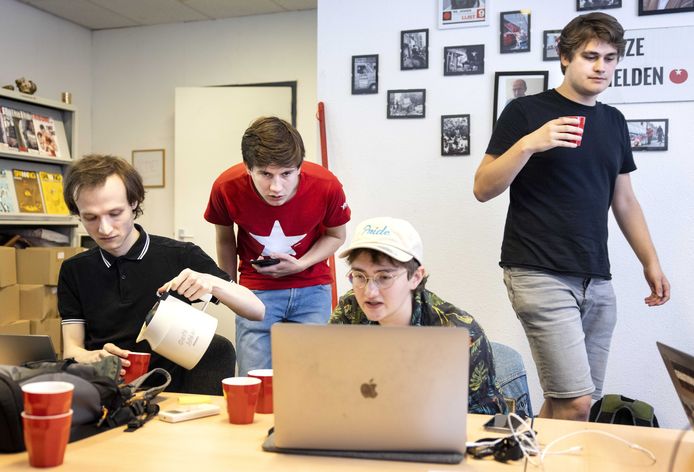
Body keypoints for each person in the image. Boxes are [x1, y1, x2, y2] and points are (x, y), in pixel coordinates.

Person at [474, 12, 670, 421]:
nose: (601, 67)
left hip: (596, 278)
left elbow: (625, 201)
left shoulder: (613, 121)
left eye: (611, 58)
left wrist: (651, 263)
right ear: (565, 57)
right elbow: (483, 187)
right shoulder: (525, 112)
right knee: (576, 401)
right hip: (537, 270)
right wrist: (530, 144)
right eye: (590, 56)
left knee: (573, 403)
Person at [58, 154, 265, 395]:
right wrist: (92, 357)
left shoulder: (179, 256)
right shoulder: (75, 270)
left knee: (218, 348)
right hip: (107, 392)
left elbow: (256, 310)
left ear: (134, 203)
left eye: (115, 213)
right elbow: (72, 350)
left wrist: (212, 283)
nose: (104, 229)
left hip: (174, 395)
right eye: (90, 218)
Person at [205, 116, 350, 376]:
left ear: (299, 167)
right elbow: (225, 238)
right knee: (255, 380)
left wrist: (302, 263)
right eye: (265, 174)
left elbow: (337, 236)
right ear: (248, 167)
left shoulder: (327, 186)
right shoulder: (226, 187)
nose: (276, 187)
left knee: (314, 379)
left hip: (312, 288)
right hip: (256, 293)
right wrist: (228, 287)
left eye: (287, 174)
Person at [330, 217, 507, 415]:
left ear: (415, 277)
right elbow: (327, 383)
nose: (369, 292)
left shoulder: (456, 331)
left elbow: (485, 420)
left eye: (384, 277)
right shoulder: (350, 309)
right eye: (359, 276)